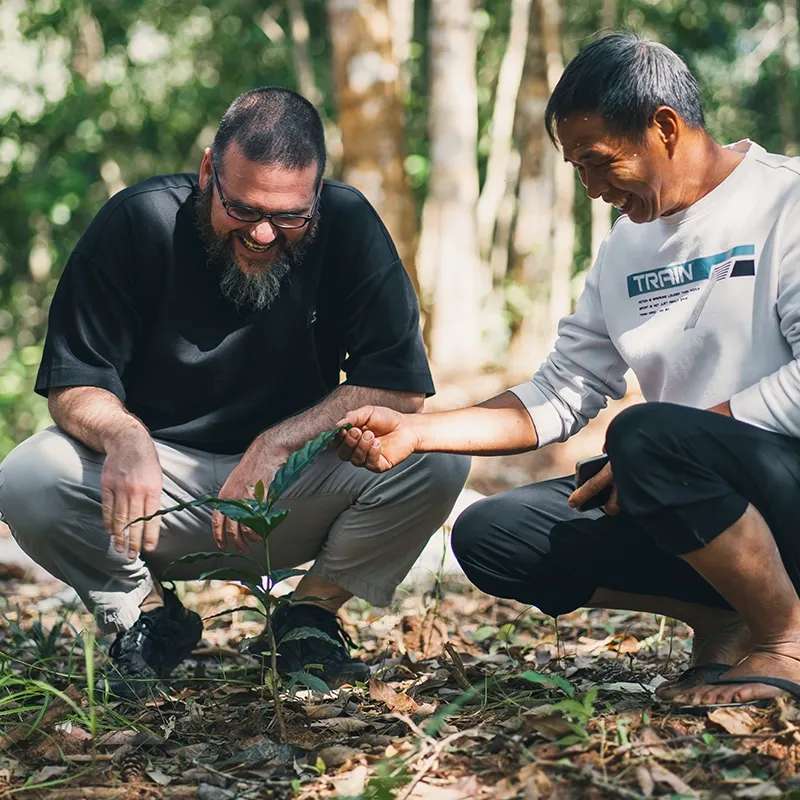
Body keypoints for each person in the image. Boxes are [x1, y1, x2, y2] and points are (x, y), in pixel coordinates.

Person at [338, 32, 800, 708]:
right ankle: (729, 615)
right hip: (692, 495)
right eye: (576, 168)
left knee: (643, 438)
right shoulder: (625, 248)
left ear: (664, 128)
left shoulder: (784, 203)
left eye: (598, 161)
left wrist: (667, 448)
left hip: (781, 487)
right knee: (494, 534)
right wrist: (418, 431)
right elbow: (563, 390)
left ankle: (787, 639)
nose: (590, 189)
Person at [0, 87, 470, 698]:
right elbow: (74, 382)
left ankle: (310, 619)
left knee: (437, 457)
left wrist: (276, 445)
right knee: (29, 474)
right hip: (154, 494)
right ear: (207, 173)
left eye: (291, 216)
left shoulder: (350, 224)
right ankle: (145, 617)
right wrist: (125, 437)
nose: (265, 234)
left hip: (291, 488)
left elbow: (400, 389)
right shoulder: (136, 221)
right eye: (243, 210)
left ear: (317, 194)